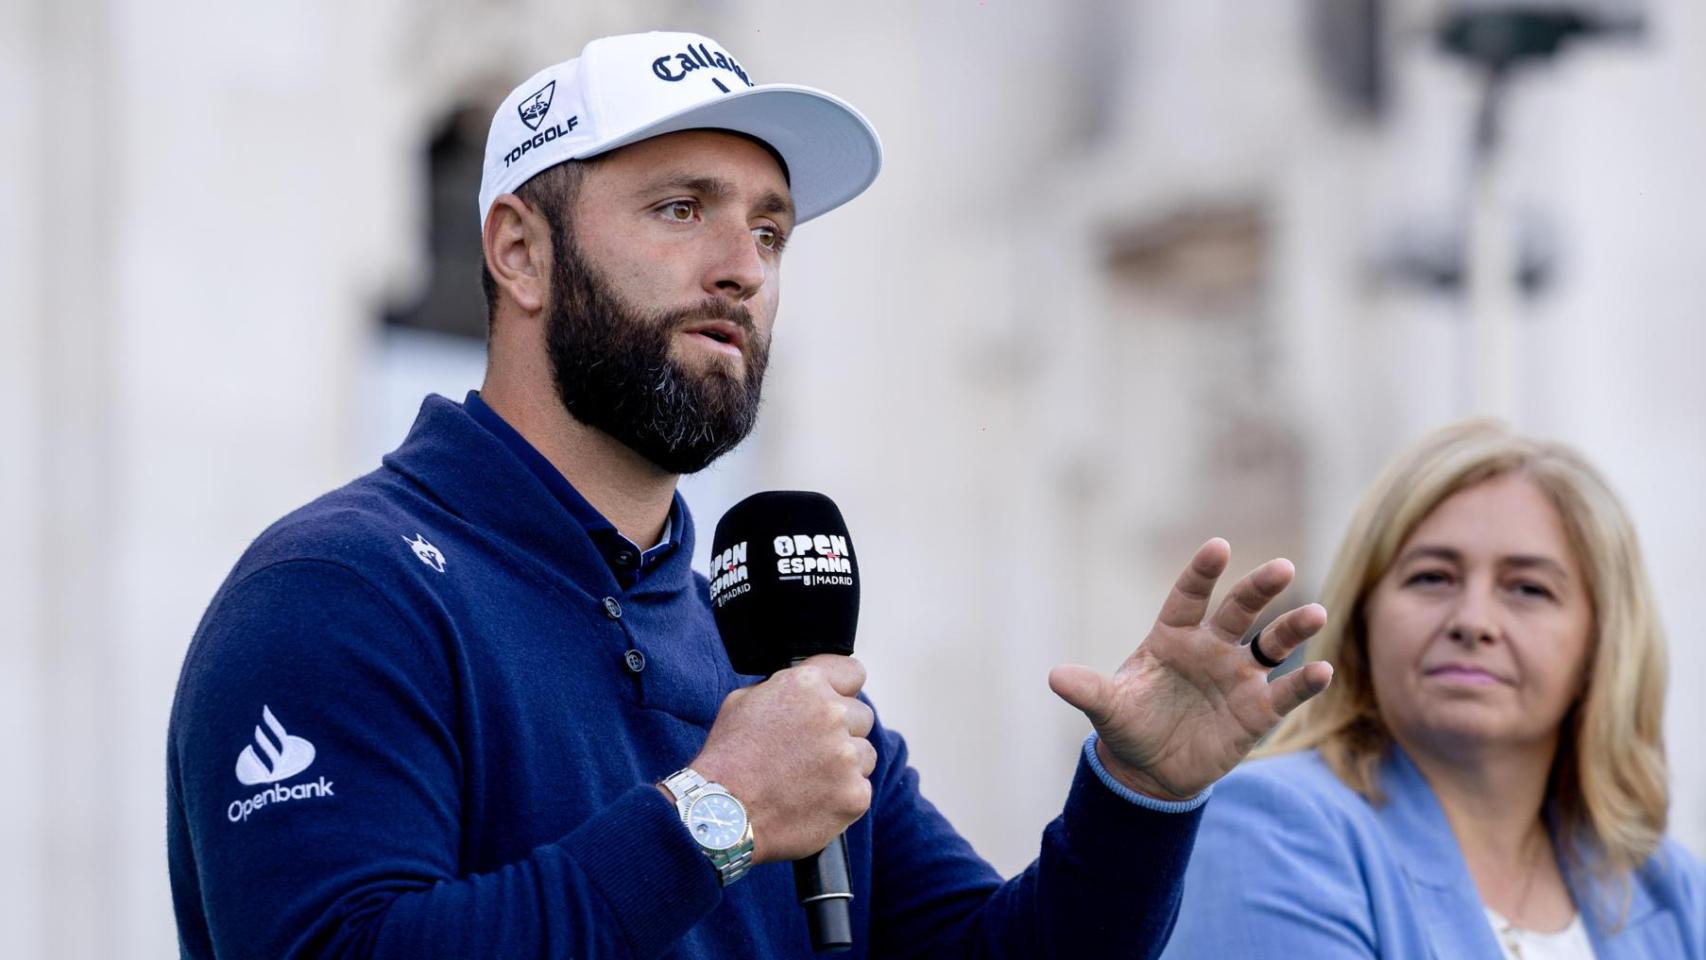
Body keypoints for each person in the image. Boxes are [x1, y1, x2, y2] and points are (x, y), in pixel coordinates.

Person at [165, 30, 1333, 959]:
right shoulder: (341, 590)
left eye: (769, 229)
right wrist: (710, 817)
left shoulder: (759, 648)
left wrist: (1135, 797)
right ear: (518, 252)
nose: (744, 268)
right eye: (682, 210)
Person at [1159, 420, 1706, 959]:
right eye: (1432, 577)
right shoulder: (1276, 827)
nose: (1473, 621)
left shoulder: (1670, 890)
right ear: (1363, 618)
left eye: (1528, 588)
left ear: (1602, 640)